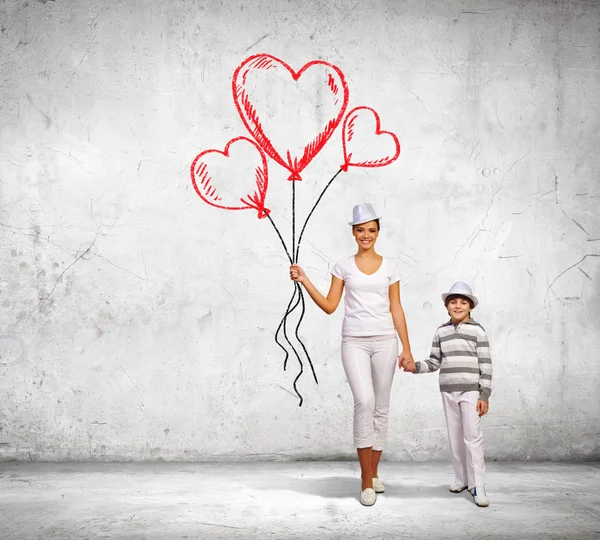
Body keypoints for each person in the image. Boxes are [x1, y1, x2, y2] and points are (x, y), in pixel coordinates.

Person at [289, 203, 414, 506]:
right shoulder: (342, 266)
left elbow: (396, 307)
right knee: (365, 401)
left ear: (378, 232)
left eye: (372, 230)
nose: (366, 235)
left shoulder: (391, 266)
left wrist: (406, 347)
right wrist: (305, 280)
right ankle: (364, 479)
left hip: (386, 341)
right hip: (354, 341)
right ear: (353, 233)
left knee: (381, 407)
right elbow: (331, 306)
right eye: (361, 230)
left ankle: (373, 472)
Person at [401, 281, 492, 507]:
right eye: (453, 302)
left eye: (463, 302)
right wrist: (415, 367)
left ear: (470, 307)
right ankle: (461, 479)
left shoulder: (477, 331)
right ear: (446, 306)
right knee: (455, 437)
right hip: (448, 390)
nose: (458, 306)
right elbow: (434, 362)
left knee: (472, 436)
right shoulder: (441, 332)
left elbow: (486, 365)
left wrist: (484, 395)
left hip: (471, 390)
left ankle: (477, 484)